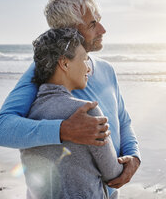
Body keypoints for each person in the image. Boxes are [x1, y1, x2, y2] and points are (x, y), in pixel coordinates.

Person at [0, 0, 140, 196]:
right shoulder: (43, 72)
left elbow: (123, 121)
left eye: (100, 21)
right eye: (92, 24)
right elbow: (0, 129)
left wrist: (134, 156)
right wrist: (63, 130)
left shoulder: (107, 70)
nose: (103, 30)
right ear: (68, 32)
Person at [22, 28, 122, 198]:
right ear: (65, 63)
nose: (88, 69)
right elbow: (112, 174)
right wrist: (128, 162)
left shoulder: (25, 116)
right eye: (84, 60)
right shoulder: (86, 113)